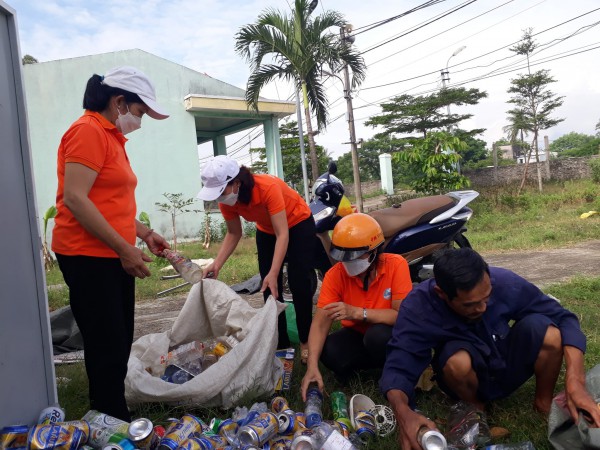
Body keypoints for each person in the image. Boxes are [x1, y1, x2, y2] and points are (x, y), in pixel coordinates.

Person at [380, 247, 600, 450]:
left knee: (549, 332)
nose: (482, 308)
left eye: (486, 298)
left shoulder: (504, 282)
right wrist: (404, 414)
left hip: (503, 361)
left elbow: (564, 318)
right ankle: (476, 411)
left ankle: (543, 403)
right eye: (469, 304)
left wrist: (575, 382)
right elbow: (399, 365)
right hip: (463, 374)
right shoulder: (419, 306)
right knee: (458, 361)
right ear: (441, 293)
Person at [52, 66, 170, 421]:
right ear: (119, 101)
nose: (140, 120)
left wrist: (144, 234)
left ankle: (110, 413)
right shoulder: (88, 131)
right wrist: (124, 248)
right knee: (106, 345)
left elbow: (108, 202)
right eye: (139, 112)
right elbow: (75, 198)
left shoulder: (111, 138)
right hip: (88, 255)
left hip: (112, 252)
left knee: (118, 342)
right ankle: (110, 421)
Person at [197, 156, 317, 360]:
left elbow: (283, 234)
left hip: (297, 223)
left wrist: (274, 271)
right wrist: (216, 263)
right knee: (268, 287)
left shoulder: (267, 187)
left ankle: (306, 340)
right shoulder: (228, 201)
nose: (219, 198)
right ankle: (280, 343)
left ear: (236, 182)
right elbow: (234, 233)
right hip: (267, 230)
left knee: (299, 281)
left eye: (221, 191)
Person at [301, 213, 412, 399]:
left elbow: (402, 316)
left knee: (377, 336)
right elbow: (320, 324)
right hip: (358, 335)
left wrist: (358, 312)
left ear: (375, 251)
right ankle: (368, 367)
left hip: (388, 333)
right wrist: (312, 366)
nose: (348, 262)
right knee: (329, 351)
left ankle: (394, 370)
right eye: (344, 256)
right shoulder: (335, 275)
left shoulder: (396, 265)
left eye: (355, 256)